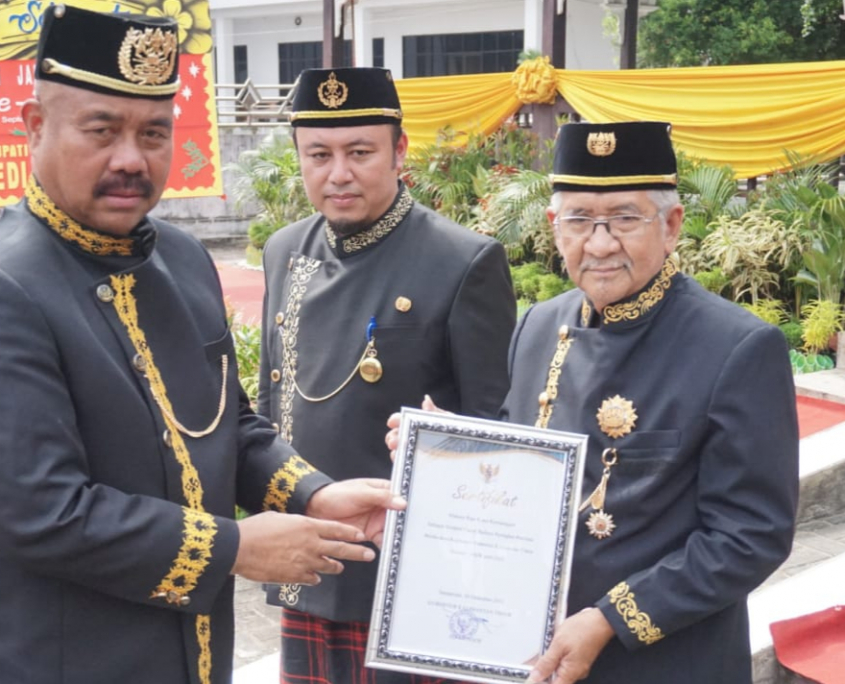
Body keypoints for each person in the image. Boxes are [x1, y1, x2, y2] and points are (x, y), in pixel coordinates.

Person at [0, 7, 403, 684]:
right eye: (102, 131)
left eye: (154, 133)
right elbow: (40, 511)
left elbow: (228, 427)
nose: (131, 159)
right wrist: (234, 547)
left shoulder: (181, 259)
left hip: (197, 657)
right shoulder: (12, 283)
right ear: (36, 126)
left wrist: (311, 493)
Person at [388, 121, 799, 684]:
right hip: (536, 651)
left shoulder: (736, 346)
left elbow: (750, 535)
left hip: (665, 659)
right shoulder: (538, 324)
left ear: (672, 225)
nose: (600, 243)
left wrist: (610, 619)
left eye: (625, 218)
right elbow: (523, 467)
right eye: (580, 220)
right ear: (556, 228)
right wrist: (448, 449)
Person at [257, 67, 516, 683]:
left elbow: (499, 428)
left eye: (360, 152)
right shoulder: (284, 250)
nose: (338, 173)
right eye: (318, 154)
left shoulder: (463, 260)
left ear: (400, 152)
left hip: (410, 571)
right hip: (305, 550)